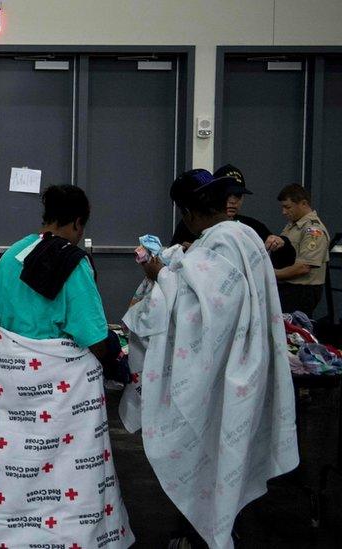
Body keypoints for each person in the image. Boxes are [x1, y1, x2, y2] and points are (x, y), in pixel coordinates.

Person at [121, 169, 298, 548]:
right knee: (224, 449)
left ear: (187, 212)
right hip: (235, 362)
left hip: (220, 367)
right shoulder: (241, 236)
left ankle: (209, 528)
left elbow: (207, 310)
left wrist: (159, 274)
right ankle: (212, 523)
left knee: (213, 446)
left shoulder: (224, 240)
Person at [0, 185, 133, 548]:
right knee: (70, 465)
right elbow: (94, 336)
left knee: (18, 457)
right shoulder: (72, 263)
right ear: (79, 223)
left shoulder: (12, 255)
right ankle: (72, 532)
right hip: (63, 391)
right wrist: (119, 359)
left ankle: (15, 527)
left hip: (13, 381)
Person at [170, 165, 296, 269]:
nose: (232, 201)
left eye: (238, 195)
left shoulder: (251, 228)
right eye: (227, 195)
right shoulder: (190, 225)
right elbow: (172, 258)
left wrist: (282, 244)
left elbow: (283, 260)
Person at [275, 184, 331, 317]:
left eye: (287, 207)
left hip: (301, 290)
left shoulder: (313, 230)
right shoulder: (294, 225)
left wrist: (271, 274)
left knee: (296, 333)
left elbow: (303, 267)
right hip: (288, 288)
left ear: (303, 204)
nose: (284, 212)